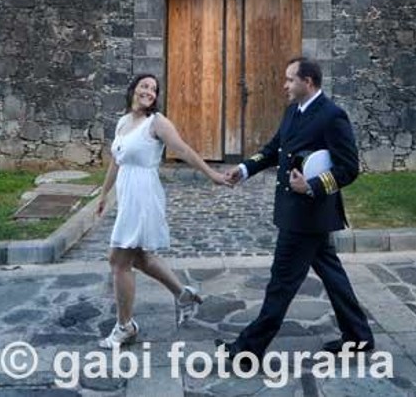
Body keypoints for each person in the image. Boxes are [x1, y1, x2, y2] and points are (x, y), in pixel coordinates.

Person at [220, 56, 374, 363]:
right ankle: (359, 337)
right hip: (302, 215)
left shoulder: (332, 116)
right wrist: (244, 168)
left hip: (306, 216)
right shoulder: (293, 111)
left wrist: (313, 186)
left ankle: (248, 349)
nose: (285, 85)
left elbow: (349, 168)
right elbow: (274, 149)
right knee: (332, 275)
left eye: (290, 80)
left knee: (281, 283)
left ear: (309, 82)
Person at [97, 73, 232, 348]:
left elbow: (183, 150)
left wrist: (212, 174)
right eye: (144, 86)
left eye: (154, 89)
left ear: (156, 97)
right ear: (133, 88)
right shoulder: (124, 122)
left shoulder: (156, 123)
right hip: (127, 193)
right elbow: (116, 160)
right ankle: (182, 293)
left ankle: (125, 326)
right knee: (140, 257)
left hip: (143, 196)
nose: (148, 91)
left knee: (118, 260)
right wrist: (103, 194)